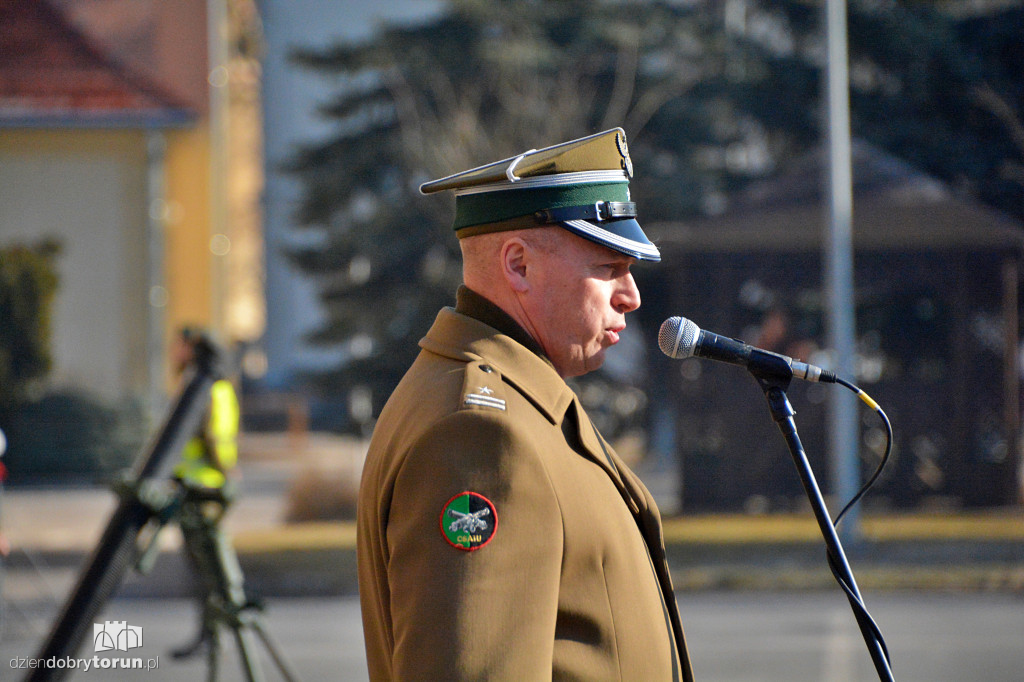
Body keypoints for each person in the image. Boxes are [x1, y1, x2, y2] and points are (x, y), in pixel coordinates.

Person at [357, 129, 693, 680]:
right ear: (518, 265)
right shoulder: (479, 433)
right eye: (609, 267)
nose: (631, 296)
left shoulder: (512, 399)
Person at [167, 326, 243, 660]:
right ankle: (210, 634)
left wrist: (225, 474)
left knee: (205, 568)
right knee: (207, 567)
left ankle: (211, 634)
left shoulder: (203, 386)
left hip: (201, 489)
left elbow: (209, 436)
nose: (173, 352)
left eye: (178, 346)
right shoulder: (218, 385)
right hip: (205, 486)